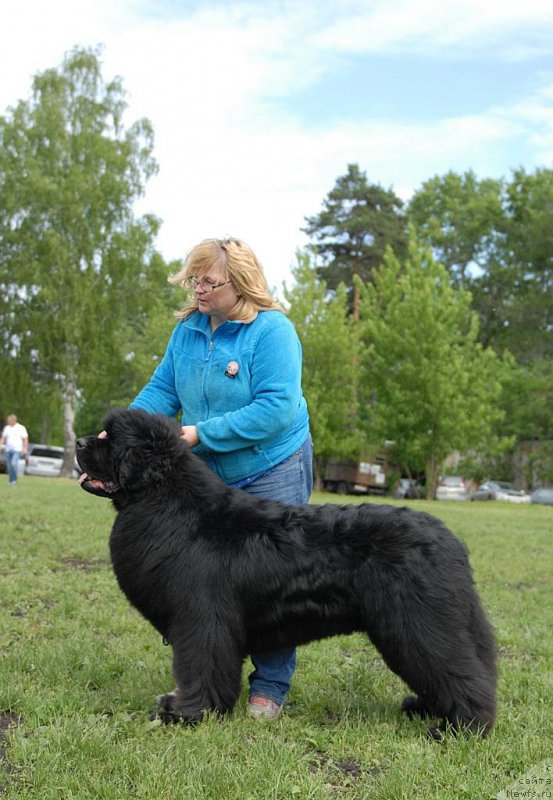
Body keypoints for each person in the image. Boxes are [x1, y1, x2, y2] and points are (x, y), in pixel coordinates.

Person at [128, 237, 312, 720]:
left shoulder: (272, 331)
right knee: (203, 585)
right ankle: (205, 679)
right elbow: (162, 390)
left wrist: (199, 434)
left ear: (241, 283)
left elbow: (276, 408)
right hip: (211, 475)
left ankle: (269, 687)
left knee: (275, 580)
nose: (198, 289)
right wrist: (124, 428)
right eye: (194, 279)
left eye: (209, 282)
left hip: (273, 465)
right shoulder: (187, 330)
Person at [1, 414, 28, 487]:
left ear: (13, 420)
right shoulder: (7, 428)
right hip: (8, 450)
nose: (8, 422)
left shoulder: (21, 428)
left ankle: (14, 479)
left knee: (13, 463)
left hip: (17, 450)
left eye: (9, 420)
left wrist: (25, 448)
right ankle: (11, 481)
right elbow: (3, 438)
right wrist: (0, 445)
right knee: (9, 466)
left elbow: (25, 439)